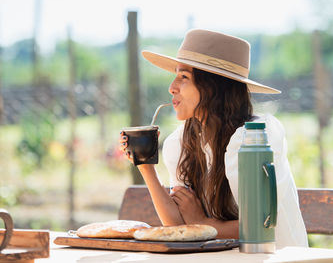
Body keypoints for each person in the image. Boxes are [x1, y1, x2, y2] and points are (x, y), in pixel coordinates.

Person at [120, 29, 308, 248]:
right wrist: (146, 167)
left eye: (184, 77)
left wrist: (202, 223)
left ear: (213, 87)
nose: (172, 87)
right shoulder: (180, 143)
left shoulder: (256, 136)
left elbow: (259, 227)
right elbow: (178, 229)